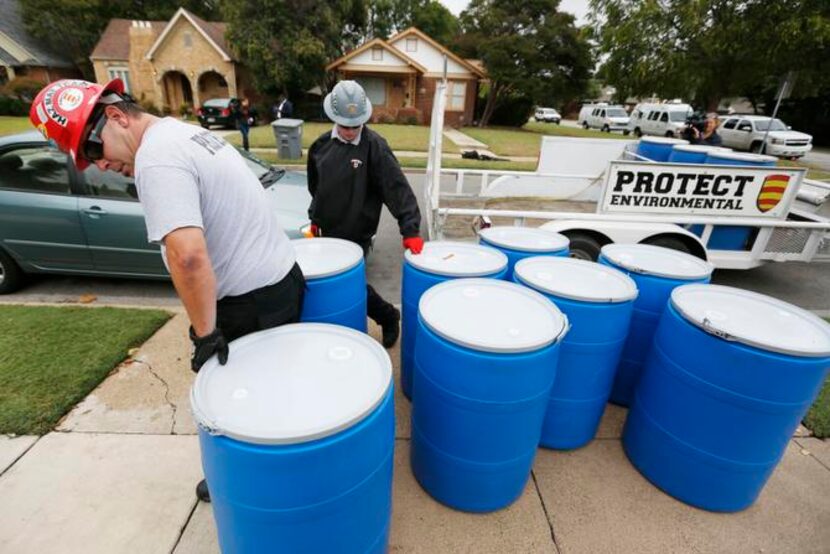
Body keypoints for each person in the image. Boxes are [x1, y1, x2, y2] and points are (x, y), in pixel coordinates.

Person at [29, 78, 305, 503]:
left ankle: (248, 489)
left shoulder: (155, 160)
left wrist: (207, 332)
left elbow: (189, 257)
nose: (98, 164)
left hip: (248, 303)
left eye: (91, 149)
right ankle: (258, 479)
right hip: (280, 281)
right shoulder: (183, 132)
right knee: (275, 389)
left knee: (241, 402)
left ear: (116, 116)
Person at [306, 80, 422, 348]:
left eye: (355, 125)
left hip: (357, 232)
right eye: (344, 125)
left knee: (352, 284)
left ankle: (388, 316)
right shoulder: (320, 147)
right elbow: (317, 188)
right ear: (333, 118)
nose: (349, 131)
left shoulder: (374, 147)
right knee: (330, 285)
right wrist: (314, 218)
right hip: (326, 232)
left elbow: (397, 188)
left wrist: (411, 229)